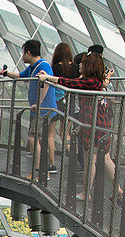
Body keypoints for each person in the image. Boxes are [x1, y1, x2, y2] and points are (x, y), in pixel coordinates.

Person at [37, 52, 116, 196]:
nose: (79, 64)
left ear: (89, 66)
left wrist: (48, 78)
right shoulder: (97, 82)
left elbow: (70, 83)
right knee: (105, 157)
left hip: (93, 125)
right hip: (101, 124)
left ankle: (86, 193)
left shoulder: (90, 82)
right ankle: (118, 190)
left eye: (83, 63)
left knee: (89, 161)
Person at [0, 39, 58, 176]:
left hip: (43, 109)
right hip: (39, 109)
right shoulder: (33, 67)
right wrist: (6, 73)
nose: (22, 56)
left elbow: (47, 82)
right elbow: (20, 76)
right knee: (38, 138)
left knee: (33, 138)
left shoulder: (43, 66)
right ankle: (41, 170)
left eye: (23, 53)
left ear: (29, 52)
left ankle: (39, 171)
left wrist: (38, 103)